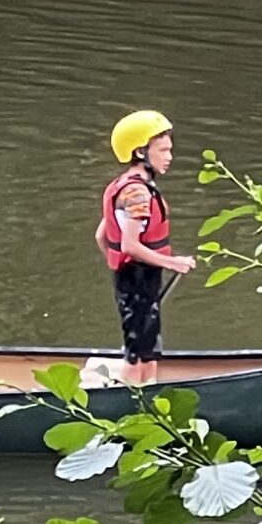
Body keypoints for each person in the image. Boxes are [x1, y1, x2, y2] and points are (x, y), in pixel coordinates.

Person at [96, 109, 196, 386]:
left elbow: (102, 237)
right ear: (141, 152)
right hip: (138, 276)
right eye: (163, 150)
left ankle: (149, 390)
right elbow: (129, 244)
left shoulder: (127, 185)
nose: (169, 157)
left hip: (135, 276)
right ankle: (133, 397)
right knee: (137, 351)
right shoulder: (137, 193)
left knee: (148, 347)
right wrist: (173, 262)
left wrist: (118, 270)